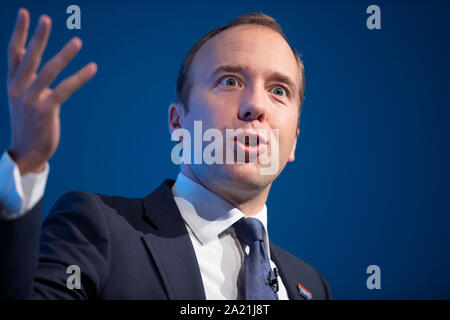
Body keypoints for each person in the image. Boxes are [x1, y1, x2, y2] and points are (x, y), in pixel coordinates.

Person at [0, 8, 332, 300]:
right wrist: (26, 161)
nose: (256, 106)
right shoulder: (96, 231)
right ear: (178, 122)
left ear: (293, 143)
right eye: (230, 81)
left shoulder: (313, 285)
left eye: (278, 90)